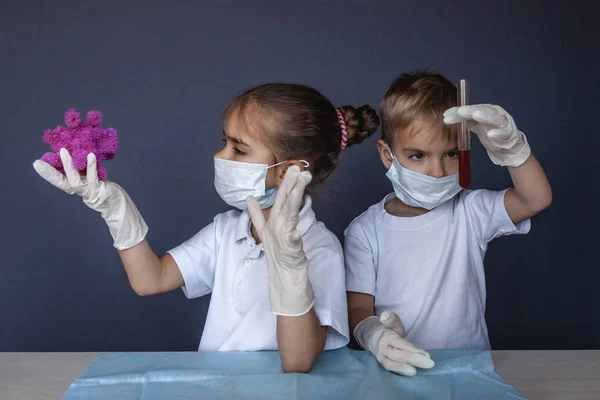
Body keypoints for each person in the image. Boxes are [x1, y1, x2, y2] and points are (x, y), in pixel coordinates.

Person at [33, 83, 379, 373]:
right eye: (225, 142)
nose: (221, 156)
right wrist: (116, 209)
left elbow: (298, 361)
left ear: (287, 172)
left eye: (239, 149)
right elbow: (150, 279)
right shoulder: (226, 230)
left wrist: (289, 266)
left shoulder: (321, 248)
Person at [344, 70, 552, 376]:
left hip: (470, 369)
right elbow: (357, 309)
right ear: (387, 155)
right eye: (417, 156)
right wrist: (376, 337)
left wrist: (513, 150)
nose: (438, 172)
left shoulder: (470, 211)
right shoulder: (364, 231)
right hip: (394, 372)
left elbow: (535, 199)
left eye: (451, 154)